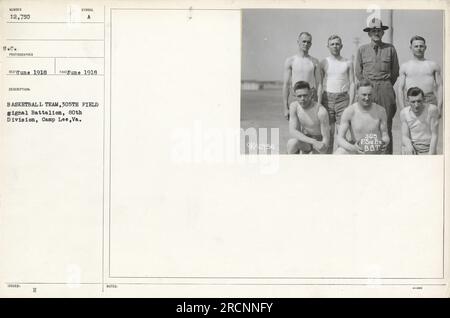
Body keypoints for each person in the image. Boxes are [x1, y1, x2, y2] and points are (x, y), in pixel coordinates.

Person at [355, 18, 399, 154]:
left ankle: (386, 158)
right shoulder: (362, 49)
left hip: (385, 88)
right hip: (368, 89)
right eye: (373, 31)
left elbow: (395, 72)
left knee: (386, 125)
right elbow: (358, 72)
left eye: (378, 30)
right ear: (369, 33)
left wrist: (384, 85)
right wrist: (368, 87)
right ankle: (368, 156)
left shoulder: (390, 49)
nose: (376, 33)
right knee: (367, 123)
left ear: (383, 32)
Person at [320, 35, 355, 153]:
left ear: (341, 46)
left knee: (342, 134)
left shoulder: (348, 62)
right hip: (327, 99)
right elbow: (320, 84)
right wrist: (319, 103)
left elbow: (352, 84)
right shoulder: (323, 62)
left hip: (343, 99)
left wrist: (350, 104)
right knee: (328, 134)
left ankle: (340, 162)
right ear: (328, 46)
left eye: (337, 44)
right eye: (332, 44)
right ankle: (327, 163)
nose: (335, 46)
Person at [335, 80, 389, 154]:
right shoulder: (349, 111)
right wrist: (353, 148)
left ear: (373, 94)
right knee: (339, 152)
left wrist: (384, 143)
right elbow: (340, 138)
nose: (367, 98)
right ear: (357, 94)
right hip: (356, 149)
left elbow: (385, 134)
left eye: (369, 95)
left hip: (375, 149)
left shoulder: (380, 111)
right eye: (364, 95)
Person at [397, 35, 443, 117]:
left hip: (429, 100)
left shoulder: (433, 65)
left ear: (425, 47)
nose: (419, 48)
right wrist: (402, 109)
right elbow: (400, 88)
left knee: (431, 128)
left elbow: (440, 86)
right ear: (411, 48)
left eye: (421, 46)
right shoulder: (405, 66)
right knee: (412, 128)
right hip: (411, 101)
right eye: (416, 46)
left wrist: (439, 107)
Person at [282, 32, 322, 120]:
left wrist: (319, 104)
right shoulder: (290, 61)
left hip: (311, 96)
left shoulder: (315, 61)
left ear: (311, 44)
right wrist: (285, 107)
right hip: (295, 96)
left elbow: (319, 84)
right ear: (298, 42)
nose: (306, 44)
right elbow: (286, 84)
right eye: (304, 41)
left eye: (308, 42)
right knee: (295, 126)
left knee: (311, 127)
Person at [287, 81, 329, 154]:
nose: (302, 99)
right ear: (295, 96)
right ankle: (292, 164)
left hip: (319, 141)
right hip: (306, 140)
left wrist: (322, 148)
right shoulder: (294, 106)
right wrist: (312, 141)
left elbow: (326, 138)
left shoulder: (321, 111)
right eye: (299, 96)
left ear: (310, 94)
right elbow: (292, 131)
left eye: (305, 95)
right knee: (291, 143)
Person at [400, 87, 439, 155]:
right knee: (404, 149)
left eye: (419, 101)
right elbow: (405, 136)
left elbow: (434, 134)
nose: (416, 105)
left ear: (424, 100)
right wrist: (409, 147)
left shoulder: (432, 110)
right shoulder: (404, 113)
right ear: (407, 101)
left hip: (428, 146)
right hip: (412, 145)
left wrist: (431, 154)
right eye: (413, 102)